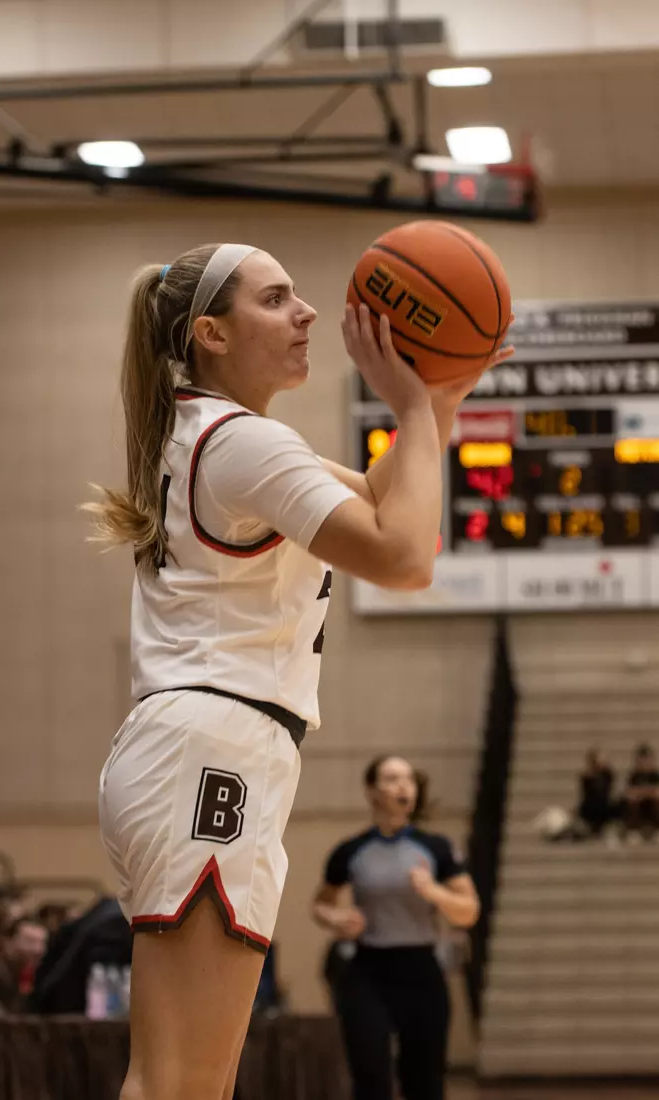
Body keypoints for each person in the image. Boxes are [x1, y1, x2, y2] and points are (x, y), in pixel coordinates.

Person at [85, 243, 513, 1100]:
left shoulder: (214, 431)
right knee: (178, 1084)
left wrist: (435, 398)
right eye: (276, 298)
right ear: (209, 332)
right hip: (210, 751)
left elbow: (382, 497)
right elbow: (402, 556)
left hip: (199, 749)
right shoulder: (241, 443)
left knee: (187, 1082)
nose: (308, 312)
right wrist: (414, 410)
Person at [312, 755, 480, 1100]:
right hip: (368, 971)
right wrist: (335, 919)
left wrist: (435, 891)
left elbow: (469, 911)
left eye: (409, 779)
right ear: (372, 791)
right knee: (371, 1075)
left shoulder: (436, 848)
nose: (403, 785)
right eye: (391, 778)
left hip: (422, 972)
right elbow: (320, 903)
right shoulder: (351, 851)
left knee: (424, 1081)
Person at [0, 917, 48, 1012]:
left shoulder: (25, 971)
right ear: (8, 941)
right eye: (30, 941)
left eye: (42, 942)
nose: (38, 949)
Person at [623, 743, 659, 840]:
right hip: (640, 806)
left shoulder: (655, 775)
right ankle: (633, 831)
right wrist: (647, 792)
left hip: (651, 805)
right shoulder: (634, 775)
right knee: (632, 801)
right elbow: (630, 792)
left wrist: (642, 792)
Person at [577, 749, 615, 836]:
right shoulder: (587, 776)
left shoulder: (607, 774)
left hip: (604, 804)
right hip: (590, 805)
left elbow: (606, 791)